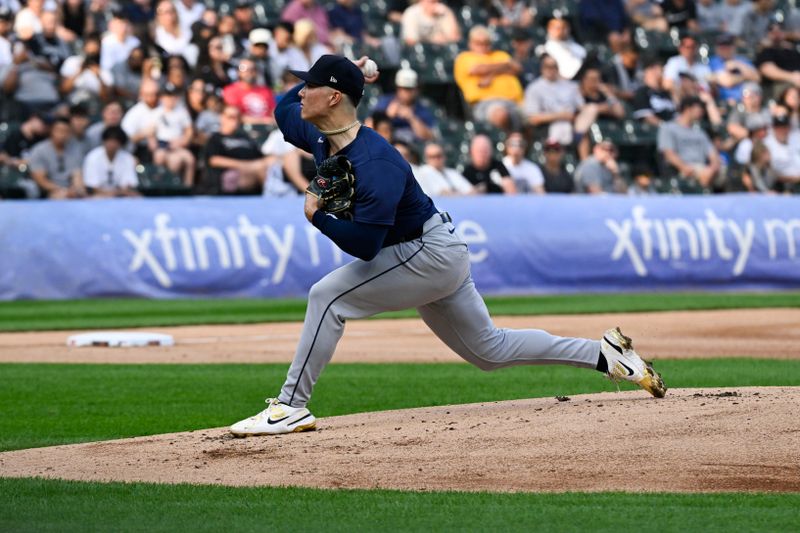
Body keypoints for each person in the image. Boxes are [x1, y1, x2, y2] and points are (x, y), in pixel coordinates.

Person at [228, 54, 667, 437]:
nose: (301, 92)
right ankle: (604, 354)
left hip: (426, 253)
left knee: (327, 297)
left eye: (312, 85)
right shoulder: (320, 136)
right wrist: (352, 68)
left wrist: (317, 215)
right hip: (432, 251)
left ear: (335, 98)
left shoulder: (375, 160)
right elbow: (282, 108)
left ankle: (289, 407)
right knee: (490, 351)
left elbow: (365, 246)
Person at [454, 25, 523, 131]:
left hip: (516, 102)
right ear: (470, 43)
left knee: (535, 115)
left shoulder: (500, 54)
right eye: (478, 43)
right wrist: (505, 66)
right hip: (486, 103)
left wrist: (491, 73)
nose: (483, 46)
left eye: (486, 43)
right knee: (501, 115)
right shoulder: (465, 57)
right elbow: (477, 69)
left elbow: (517, 68)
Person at [202, 104, 274, 194]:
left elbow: (260, 156)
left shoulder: (245, 137)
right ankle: (272, 200)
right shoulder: (216, 138)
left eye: (237, 117)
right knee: (260, 169)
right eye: (231, 117)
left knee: (272, 162)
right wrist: (245, 166)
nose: (235, 120)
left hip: (253, 170)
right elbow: (214, 160)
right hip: (230, 175)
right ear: (222, 117)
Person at [657, 95, 722, 190]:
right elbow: (668, 154)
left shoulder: (700, 132)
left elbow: (712, 154)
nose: (702, 111)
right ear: (688, 109)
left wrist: (714, 166)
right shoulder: (668, 128)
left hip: (705, 168)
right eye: (699, 108)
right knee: (706, 174)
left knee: (733, 174)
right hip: (684, 168)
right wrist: (684, 167)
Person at [371, 68, 435, 144]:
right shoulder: (385, 102)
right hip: (388, 146)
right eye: (403, 88)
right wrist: (387, 116)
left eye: (410, 89)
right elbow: (369, 127)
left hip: (411, 149)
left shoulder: (421, 108)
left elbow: (429, 137)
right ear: (398, 88)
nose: (406, 92)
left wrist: (412, 118)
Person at [27, 116, 86, 199]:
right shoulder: (39, 150)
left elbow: (77, 175)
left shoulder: (76, 149)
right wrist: (62, 190)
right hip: (48, 192)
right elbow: (40, 179)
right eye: (59, 130)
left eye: (66, 131)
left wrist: (77, 190)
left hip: (71, 191)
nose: (62, 135)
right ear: (51, 131)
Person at [150, 83, 196, 187]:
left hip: (178, 144)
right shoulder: (156, 113)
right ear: (162, 98)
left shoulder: (182, 112)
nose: (170, 99)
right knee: (162, 157)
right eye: (167, 96)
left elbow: (189, 131)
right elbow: (151, 133)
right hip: (161, 145)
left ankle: (187, 187)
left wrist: (182, 142)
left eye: (172, 96)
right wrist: (153, 145)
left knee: (190, 159)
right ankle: (160, 186)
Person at [82, 126, 140, 197]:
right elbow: (92, 187)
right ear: (104, 141)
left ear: (121, 144)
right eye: (110, 141)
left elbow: (128, 185)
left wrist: (118, 193)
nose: (112, 144)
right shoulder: (92, 157)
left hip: (120, 196)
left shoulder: (128, 158)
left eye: (116, 142)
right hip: (98, 196)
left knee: (136, 197)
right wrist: (109, 194)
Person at [223, 56, 277, 125]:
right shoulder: (230, 91)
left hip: (268, 129)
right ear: (238, 72)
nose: (249, 72)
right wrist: (263, 121)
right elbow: (235, 116)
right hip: (243, 129)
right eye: (244, 69)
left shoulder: (265, 90)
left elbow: (274, 112)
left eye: (252, 69)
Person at [708, 33, 759, 105]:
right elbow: (727, 81)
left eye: (728, 46)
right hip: (724, 102)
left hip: (746, 100)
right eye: (722, 47)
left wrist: (738, 65)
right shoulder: (713, 61)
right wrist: (745, 77)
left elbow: (757, 77)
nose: (725, 49)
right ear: (717, 48)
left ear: (733, 47)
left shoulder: (741, 60)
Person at [632, 57, 675, 126]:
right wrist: (666, 127)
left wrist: (674, 90)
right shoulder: (642, 92)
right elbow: (647, 118)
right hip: (656, 131)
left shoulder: (666, 93)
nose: (662, 72)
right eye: (656, 68)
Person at [540, 16, 586, 81]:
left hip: (577, 83)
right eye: (557, 27)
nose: (561, 30)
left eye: (564, 27)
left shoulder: (579, 49)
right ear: (549, 29)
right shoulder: (544, 49)